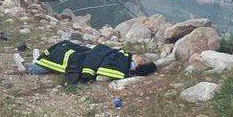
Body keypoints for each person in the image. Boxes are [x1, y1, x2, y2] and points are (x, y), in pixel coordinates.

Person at [29, 40, 157, 85]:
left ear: (140, 66)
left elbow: (104, 69)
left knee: (69, 56)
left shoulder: (122, 65)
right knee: (67, 46)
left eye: (144, 60)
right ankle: (39, 61)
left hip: (86, 60)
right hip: (92, 54)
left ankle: (32, 67)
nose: (141, 56)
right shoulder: (125, 58)